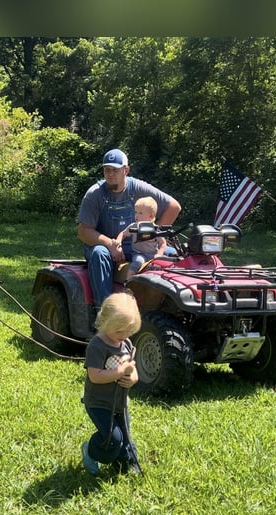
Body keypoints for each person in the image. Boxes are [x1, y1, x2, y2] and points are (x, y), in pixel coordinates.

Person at [77, 148, 181, 311]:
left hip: (138, 246)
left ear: (126, 170)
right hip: (104, 246)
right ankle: (104, 311)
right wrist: (110, 244)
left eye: (115, 170)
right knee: (99, 253)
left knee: (175, 254)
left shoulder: (138, 188)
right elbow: (83, 232)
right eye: (106, 170)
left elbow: (173, 207)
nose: (110, 174)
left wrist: (154, 234)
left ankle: (172, 307)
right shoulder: (95, 194)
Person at [80, 291, 142, 476]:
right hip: (99, 403)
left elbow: (133, 371)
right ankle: (90, 451)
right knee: (112, 438)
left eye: (129, 330)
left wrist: (131, 378)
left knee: (126, 436)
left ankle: (128, 464)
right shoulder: (97, 346)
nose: (124, 335)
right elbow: (95, 376)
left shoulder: (126, 344)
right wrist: (120, 372)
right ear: (105, 322)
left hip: (120, 404)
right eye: (119, 330)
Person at [116, 196, 167, 281]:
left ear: (151, 216)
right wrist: (118, 241)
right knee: (138, 262)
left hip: (152, 254)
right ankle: (128, 282)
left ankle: (155, 284)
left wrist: (159, 254)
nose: (136, 215)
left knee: (163, 263)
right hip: (138, 253)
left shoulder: (155, 228)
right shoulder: (134, 226)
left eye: (140, 213)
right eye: (135, 212)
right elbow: (123, 234)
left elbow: (163, 243)